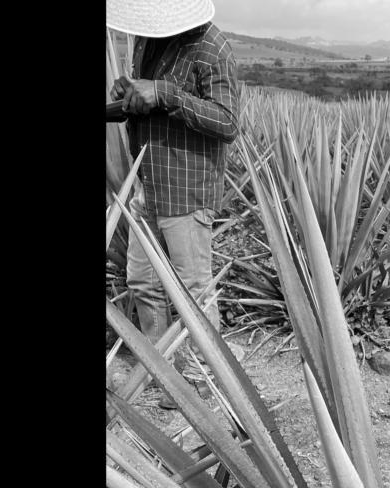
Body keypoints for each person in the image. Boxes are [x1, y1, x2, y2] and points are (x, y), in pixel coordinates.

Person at [107, 0, 240, 408]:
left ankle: (203, 383)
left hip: (187, 190)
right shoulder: (147, 40)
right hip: (148, 182)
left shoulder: (212, 48)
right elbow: (149, 105)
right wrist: (129, 97)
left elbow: (228, 122)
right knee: (142, 282)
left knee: (194, 292)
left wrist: (164, 93)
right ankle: (163, 372)